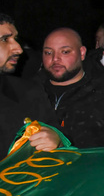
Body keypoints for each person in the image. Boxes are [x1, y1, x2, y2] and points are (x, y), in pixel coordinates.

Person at [41, 27, 104, 148]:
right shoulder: (29, 92)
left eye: (65, 52)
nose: (55, 59)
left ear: (82, 53)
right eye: (48, 52)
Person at [0, 13, 63, 153]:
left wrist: (57, 140)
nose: (19, 49)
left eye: (15, 39)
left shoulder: (29, 91)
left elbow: (57, 134)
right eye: (5, 39)